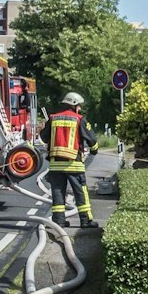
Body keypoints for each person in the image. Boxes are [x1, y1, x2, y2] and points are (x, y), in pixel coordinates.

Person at [46, 90, 97, 227]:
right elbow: (91, 138)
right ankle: (85, 221)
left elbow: (44, 137)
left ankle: (59, 221)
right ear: (74, 105)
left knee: (57, 193)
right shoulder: (79, 119)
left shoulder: (52, 119)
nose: (80, 108)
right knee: (80, 193)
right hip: (74, 164)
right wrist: (94, 150)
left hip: (55, 165)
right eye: (79, 106)